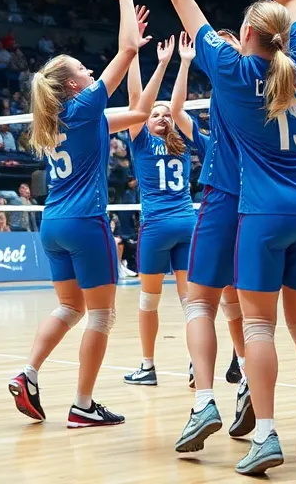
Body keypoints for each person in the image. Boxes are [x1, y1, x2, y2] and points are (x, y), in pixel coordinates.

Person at [167, 0, 296, 474]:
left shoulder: (233, 71)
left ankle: (236, 415)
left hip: (252, 205)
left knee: (225, 311)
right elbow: (292, 0)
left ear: (244, 35)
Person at [8, 0, 161, 430]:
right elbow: (125, 50)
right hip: (85, 221)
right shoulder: (82, 107)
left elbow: (139, 112)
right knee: (102, 315)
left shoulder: (60, 119)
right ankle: (83, 405)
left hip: (53, 224)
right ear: (73, 85)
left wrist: (142, 59)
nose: (91, 72)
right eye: (83, 70)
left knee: (70, 308)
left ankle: (28, 372)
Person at [172, 31, 248, 404]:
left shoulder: (239, 89)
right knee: (235, 301)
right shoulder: (211, 139)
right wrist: (186, 63)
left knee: (204, 302)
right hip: (252, 204)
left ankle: (207, 394)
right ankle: (245, 371)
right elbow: (176, 113)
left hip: (228, 203)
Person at [121, 34, 196, 388]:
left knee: (149, 301)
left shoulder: (143, 140)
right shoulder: (183, 143)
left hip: (157, 227)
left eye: (165, 114)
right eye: (156, 113)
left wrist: (143, 56)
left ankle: (148, 366)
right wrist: (179, 63)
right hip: (187, 224)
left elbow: (136, 100)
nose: (162, 115)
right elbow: (145, 102)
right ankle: (196, 366)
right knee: (191, 303)